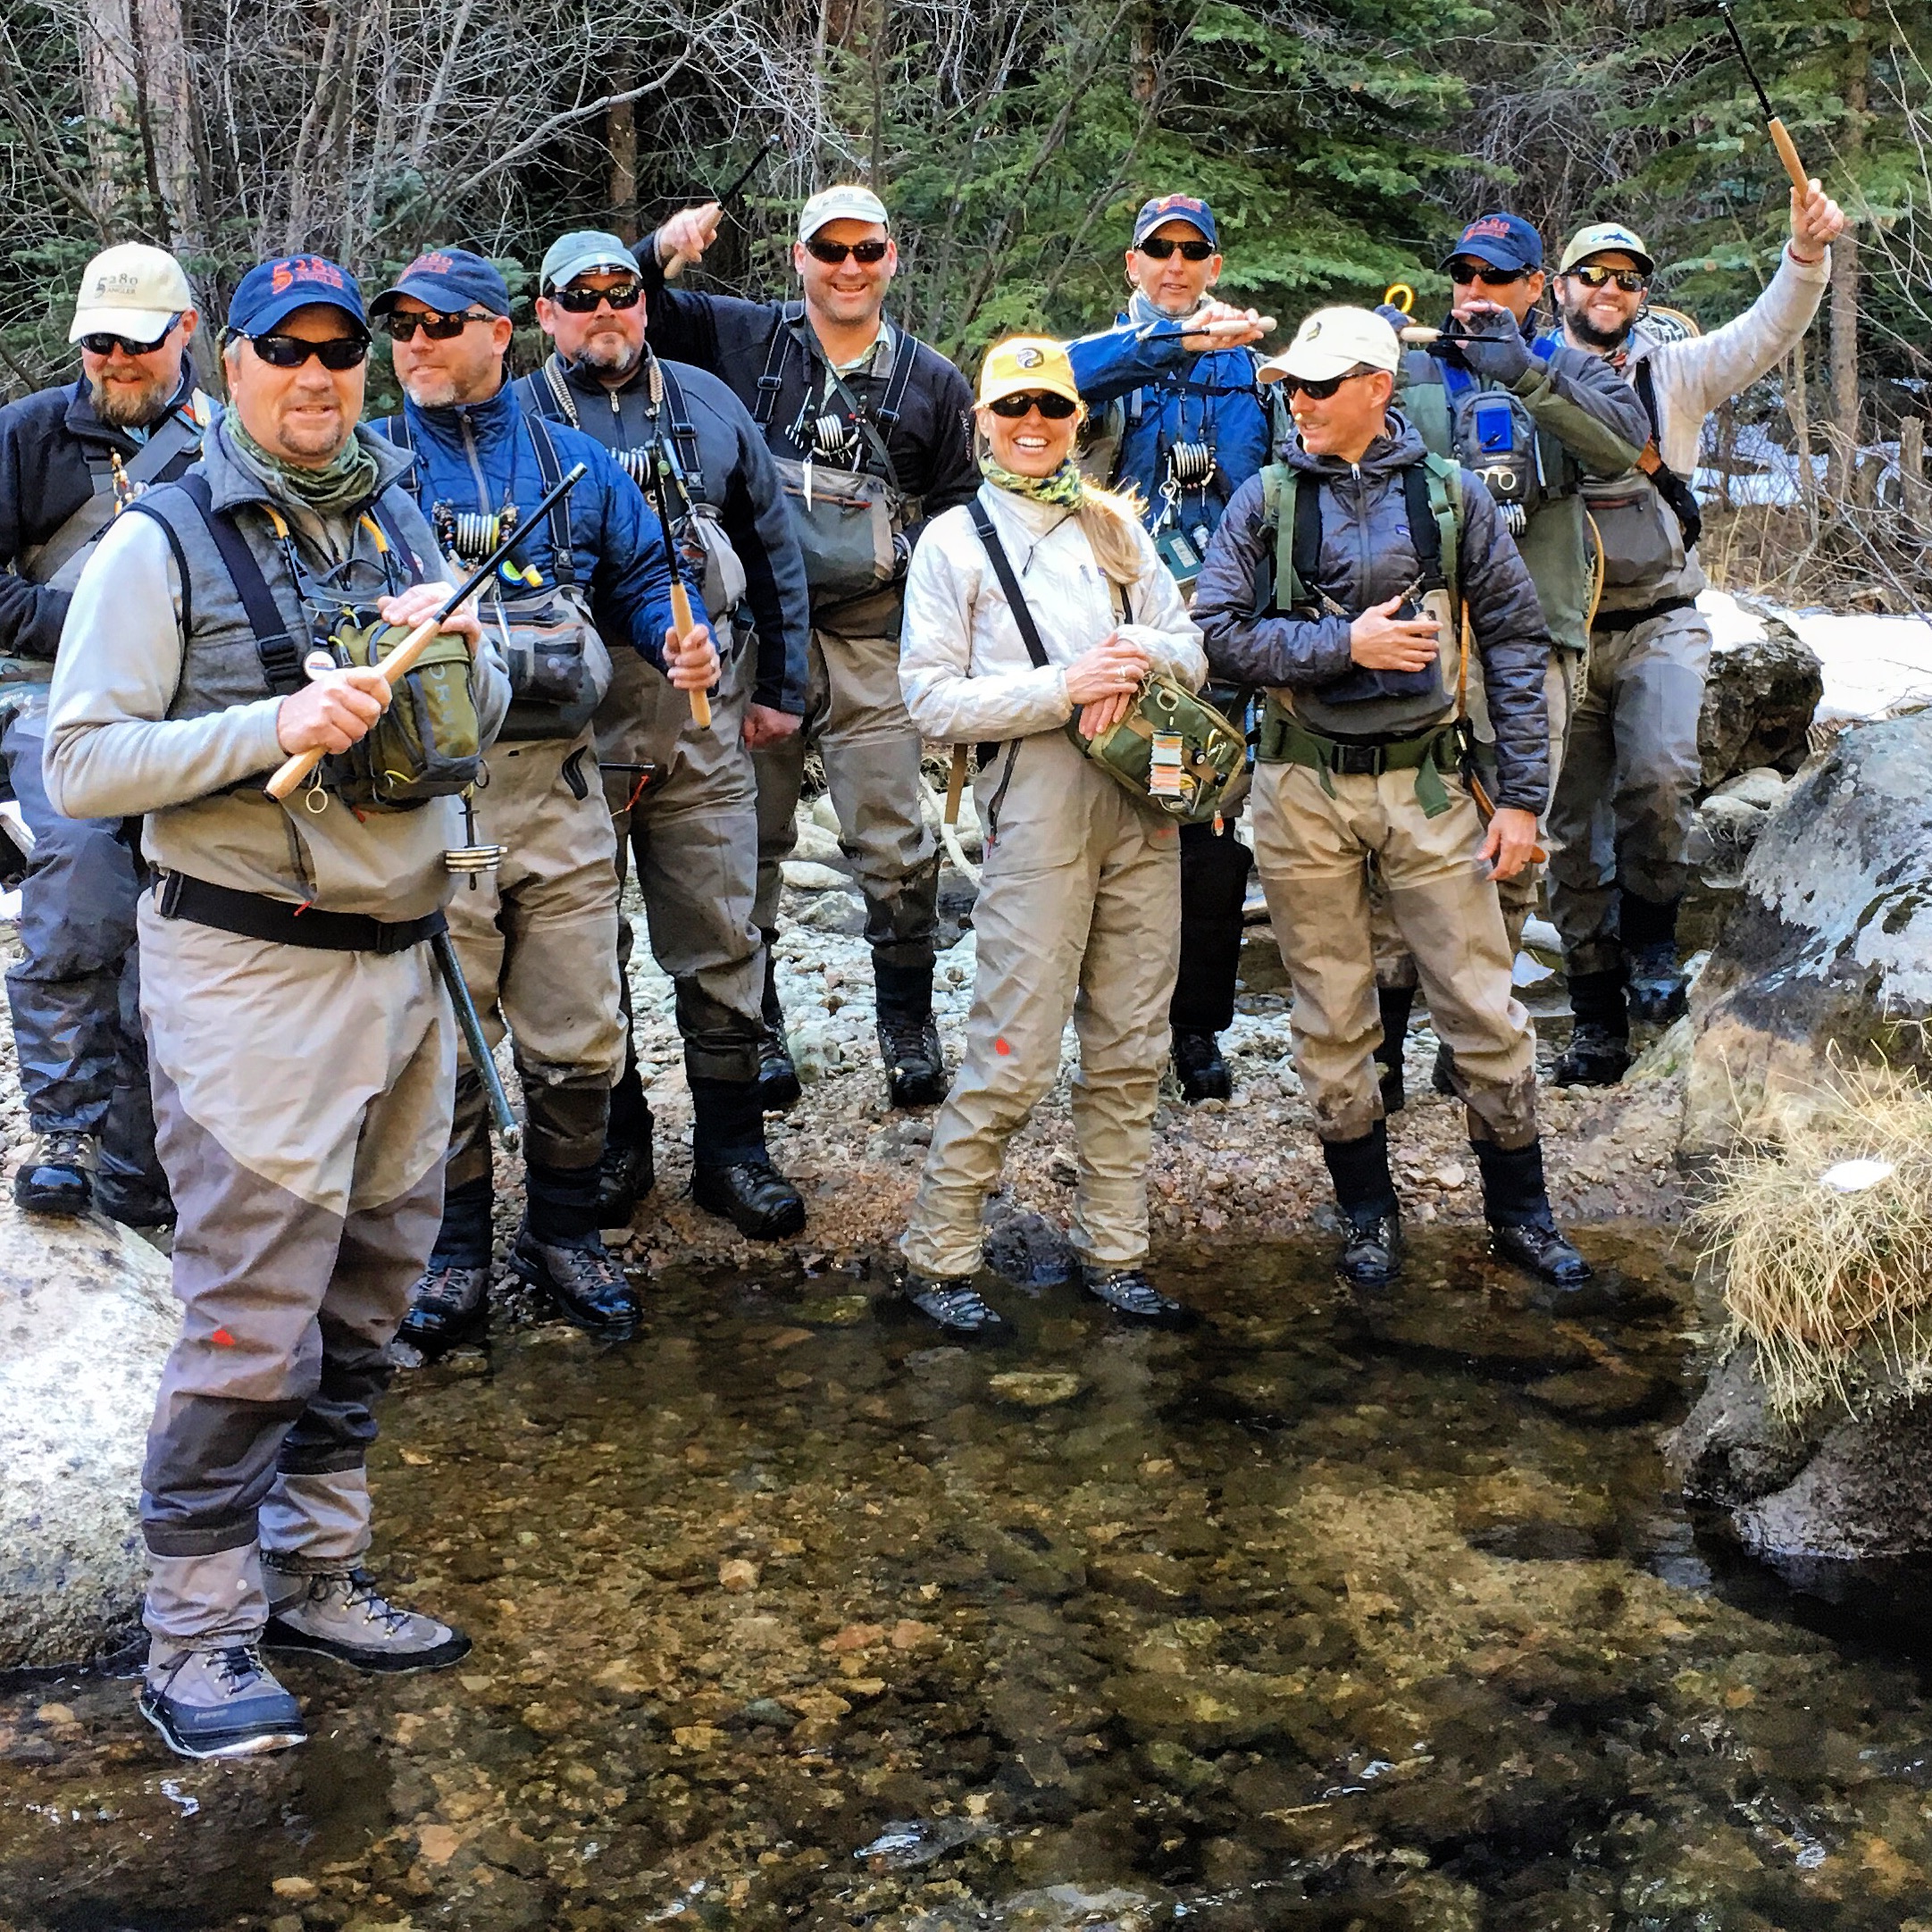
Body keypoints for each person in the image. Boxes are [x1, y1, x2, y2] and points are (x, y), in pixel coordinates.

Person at [42, 252, 510, 1758]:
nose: (315, 377)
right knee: (252, 1314)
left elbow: (474, 729)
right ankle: (196, 1635)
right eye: (283, 352)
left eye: (337, 353)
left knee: (372, 1295)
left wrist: (472, 650)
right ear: (226, 364)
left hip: (408, 966)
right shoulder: (156, 542)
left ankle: (317, 1571)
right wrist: (271, 726)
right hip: (248, 970)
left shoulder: (403, 512)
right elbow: (81, 766)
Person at [1193, 306, 1591, 1293]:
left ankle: (1522, 1214)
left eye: (1320, 385)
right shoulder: (1264, 502)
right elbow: (1218, 637)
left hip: (1430, 781)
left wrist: (1522, 802)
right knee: (1332, 1015)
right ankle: (1367, 1215)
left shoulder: (1454, 499)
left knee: (1483, 1005)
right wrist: (1344, 648)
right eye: (1291, 384)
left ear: (1378, 386)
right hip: (1300, 786)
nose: (1299, 401)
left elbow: (1512, 642)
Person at [368, 248, 717, 1357]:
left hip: (564, 796)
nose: (415, 345)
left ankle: (565, 1236)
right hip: (438, 807)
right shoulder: (371, 475)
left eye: (439, 324)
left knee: (580, 1033)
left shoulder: (576, 465)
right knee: (453, 1036)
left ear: (498, 332)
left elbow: (654, 573)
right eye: (402, 327)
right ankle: (456, 1250)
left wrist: (683, 631)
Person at [636, 185, 979, 1110]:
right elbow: (627, 311)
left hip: (875, 638)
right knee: (752, 842)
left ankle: (907, 1030)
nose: (849, 269)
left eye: (867, 251)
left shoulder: (935, 382)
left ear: (892, 258)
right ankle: (764, 1027)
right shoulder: (742, 336)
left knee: (896, 840)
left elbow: (958, 511)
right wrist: (660, 245)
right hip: (758, 637)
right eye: (830, 251)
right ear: (799, 257)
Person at [896, 337, 1206, 1334]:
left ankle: (1114, 1252)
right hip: (1034, 802)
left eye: (1053, 409)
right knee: (1014, 1049)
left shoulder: (1118, 526)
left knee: (1130, 1044)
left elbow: (1191, 646)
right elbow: (929, 701)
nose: (1034, 427)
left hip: (1143, 803)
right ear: (980, 421)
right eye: (1014, 409)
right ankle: (938, 1256)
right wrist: (1065, 686)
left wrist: (1139, 651)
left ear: (1079, 420)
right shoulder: (951, 541)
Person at [513, 229, 810, 1241]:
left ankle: (734, 1152)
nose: (605, 310)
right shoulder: (513, 423)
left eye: (622, 293)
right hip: (569, 729)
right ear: (545, 313)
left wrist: (790, 689)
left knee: (724, 931)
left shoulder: (711, 402)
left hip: (705, 714)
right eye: (579, 294)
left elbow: (774, 545)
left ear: (646, 303)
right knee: (586, 947)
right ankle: (619, 1143)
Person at [1544, 184, 1843, 1083]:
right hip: (1558, 632)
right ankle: (1594, 1010)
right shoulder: (1520, 373)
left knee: (1663, 780)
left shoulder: (1677, 373)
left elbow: (1767, 330)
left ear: (1642, 294)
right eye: (1593, 273)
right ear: (1561, 288)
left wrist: (1807, 256)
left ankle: (1654, 955)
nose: (1611, 287)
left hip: (1662, 622)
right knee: (1567, 830)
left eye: (1628, 277)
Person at [1371, 212, 1650, 1108]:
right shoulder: (1409, 368)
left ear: (1538, 288)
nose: (1475, 294)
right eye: (1464, 275)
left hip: (1534, 641)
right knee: (1404, 840)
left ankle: (1473, 1040)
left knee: (1512, 845)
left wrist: (1528, 375)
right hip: (1420, 642)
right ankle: (1385, 1046)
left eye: (1497, 278)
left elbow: (1625, 453)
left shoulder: (1567, 364)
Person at [0, 243, 212, 1225]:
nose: (114, 362)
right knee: (82, 878)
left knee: (189, 914)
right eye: (98, 345)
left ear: (185, 334)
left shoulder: (227, 440)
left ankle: (146, 1173)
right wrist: (84, 634)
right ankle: (65, 1132)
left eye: (133, 344)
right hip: (50, 700)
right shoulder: (26, 436)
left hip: (189, 704)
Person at [1066, 194, 1276, 1105]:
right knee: (1106, 831)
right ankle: (1109, 1029)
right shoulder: (1097, 362)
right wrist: (1162, 349)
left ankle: (1195, 1031)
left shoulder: (1257, 374)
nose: (1177, 266)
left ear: (1216, 267)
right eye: (1161, 251)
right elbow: (1041, 394)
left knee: (1208, 829)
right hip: (1113, 628)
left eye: (1195, 252)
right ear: (1132, 262)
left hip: (1218, 635)